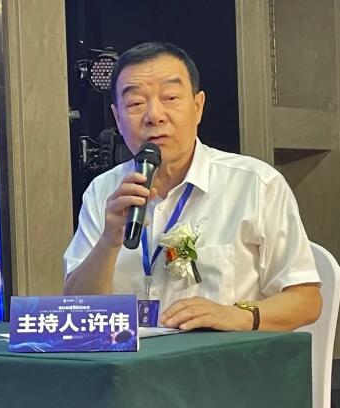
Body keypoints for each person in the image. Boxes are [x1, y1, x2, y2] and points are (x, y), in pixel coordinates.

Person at [63, 42, 322, 331]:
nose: (154, 115)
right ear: (117, 118)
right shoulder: (103, 191)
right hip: (132, 357)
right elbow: (76, 309)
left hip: (219, 357)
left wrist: (236, 315)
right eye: (135, 103)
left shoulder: (255, 184)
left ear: (198, 107)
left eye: (170, 97)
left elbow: (306, 301)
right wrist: (109, 241)